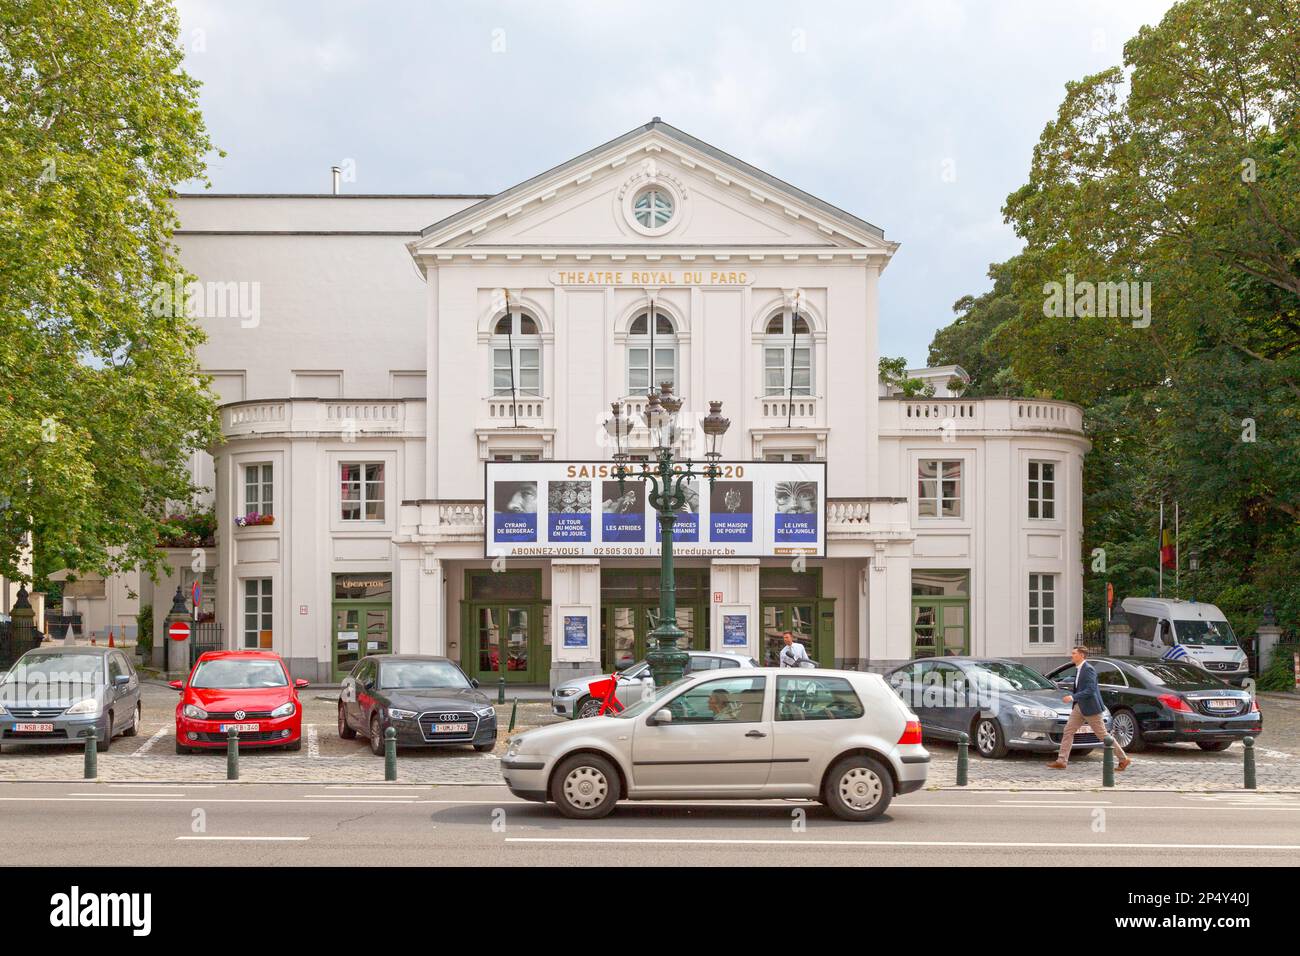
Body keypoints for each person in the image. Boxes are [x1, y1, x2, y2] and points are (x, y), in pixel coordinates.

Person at [1047, 646, 1131, 771]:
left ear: (1081, 655)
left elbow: (1090, 690)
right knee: (1068, 731)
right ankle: (1061, 760)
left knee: (1103, 735)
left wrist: (1072, 697)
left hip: (1090, 708)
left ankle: (1123, 759)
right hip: (1079, 706)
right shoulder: (1079, 669)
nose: (1072, 655)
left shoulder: (1088, 669)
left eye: (1074, 653)